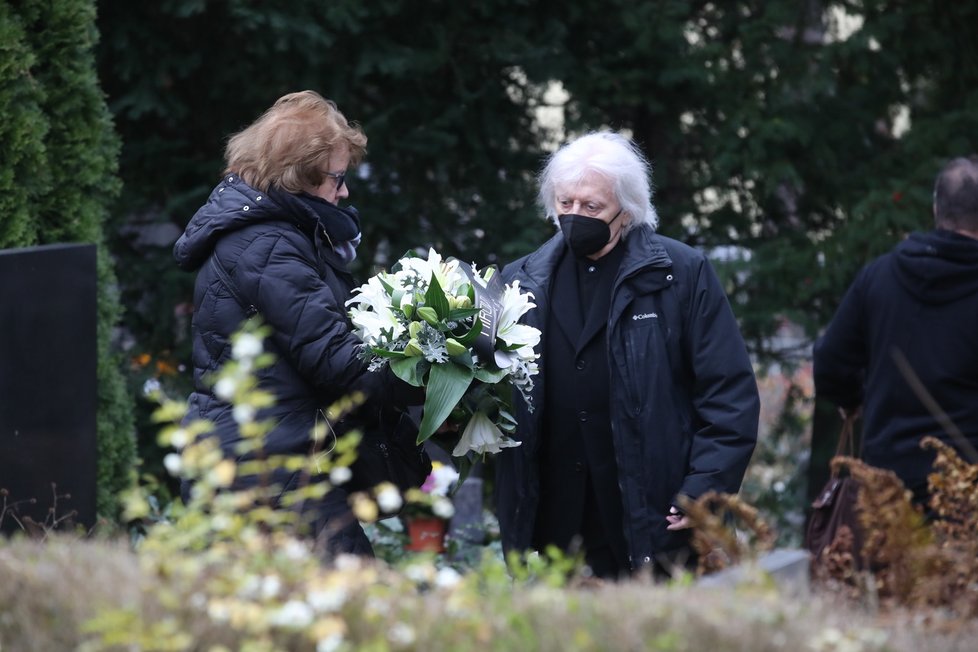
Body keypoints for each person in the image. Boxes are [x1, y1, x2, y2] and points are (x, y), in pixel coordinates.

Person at [173, 90, 429, 556]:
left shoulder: (275, 238)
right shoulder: (266, 246)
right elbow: (340, 366)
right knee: (353, 612)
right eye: (337, 178)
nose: (344, 191)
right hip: (263, 473)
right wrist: (438, 381)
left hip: (266, 463)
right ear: (298, 175)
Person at [494, 131, 760, 579]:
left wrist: (702, 491)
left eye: (591, 207)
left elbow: (729, 397)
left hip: (650, 516)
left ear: (627, 211)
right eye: (565, 203)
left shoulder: (680, 275)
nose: (575, 216)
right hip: (554, 524)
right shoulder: (519, 281)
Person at [813, 156, 978, 505]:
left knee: (890, 562)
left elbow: (830, 363)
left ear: (936, 207)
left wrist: (851, 398)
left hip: (887, 488)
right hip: (968, 491)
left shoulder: (880, 276)